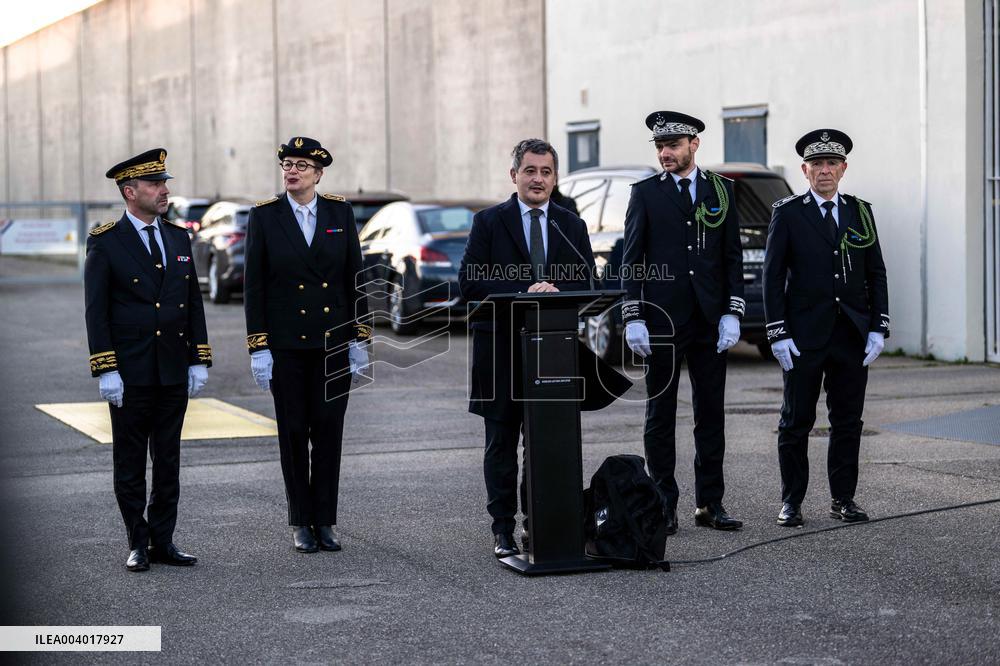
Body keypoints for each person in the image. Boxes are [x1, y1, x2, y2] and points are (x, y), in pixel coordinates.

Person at [459, 138, 596, 558]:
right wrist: (525, 289)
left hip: (552, 354)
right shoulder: (488, 222)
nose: (538, 179)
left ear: (555, 178)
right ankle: (502, 528)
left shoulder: (569, 224)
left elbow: (588, 282)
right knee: (501, 443)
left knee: (543, 444)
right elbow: (470, 282)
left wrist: (556, 289)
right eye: (531, 171)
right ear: (514, 174)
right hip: (499, 351)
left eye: (547, 172)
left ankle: (539, 523)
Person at [84, 148, 211, 572]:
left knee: (169, 459)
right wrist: (106, 368)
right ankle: (137, 542)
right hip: (131, 372)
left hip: (173, 367)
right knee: (131, 462)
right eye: (155, 184)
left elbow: (191, 301)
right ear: (129, 191)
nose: (165, 191)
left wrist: (198, 358)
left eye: (164, 183)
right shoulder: (105, 241)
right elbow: (96, 312)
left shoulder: (177, 237)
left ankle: (164, 540)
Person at [243, 136, 371, 554]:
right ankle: (301, 520)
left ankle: (326, 520)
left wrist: (360, 337)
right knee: (294, 433)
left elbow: (355, 277)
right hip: (287, 346)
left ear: (318, 173)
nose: (292, 171)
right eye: (287, 165)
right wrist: (259, 346)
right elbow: (254, 286)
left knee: (329, 432)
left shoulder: (339, 212)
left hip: (333, 343)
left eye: (301, 165)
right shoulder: (265, 216)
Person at [620, 111, 746, 534]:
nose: (664, 153)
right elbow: (631, 259)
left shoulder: (722, 191)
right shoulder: (646, 194)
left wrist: (732, 310)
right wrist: (634, 314)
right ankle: (663, 503)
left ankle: (710, 504)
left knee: (711, 415)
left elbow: (731, 257)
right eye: (659, 146)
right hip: (662, 320)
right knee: (660, 414)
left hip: (710, 321)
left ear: (694, 144)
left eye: (672, 145)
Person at [763, 129, 889, 527]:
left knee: (848, 421)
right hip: (803, 335)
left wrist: (878, 327)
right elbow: (772, 276)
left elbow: (876, 273)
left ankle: (843, 500)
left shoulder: (859, 211)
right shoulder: (788, 212)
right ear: (804, 170)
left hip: (851, 333)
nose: (824, 171)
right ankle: (791, 502)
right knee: (796, 421)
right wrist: (777, 332)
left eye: (831, 163)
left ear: (843, 168)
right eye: (816, 164)